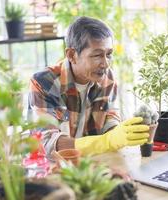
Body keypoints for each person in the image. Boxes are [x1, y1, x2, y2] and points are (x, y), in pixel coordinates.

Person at [28, 16, 149, 157]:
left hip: (92, 163)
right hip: (51, 169)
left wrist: (120, 133)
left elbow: (109, 118)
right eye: (97, 55)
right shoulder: (43, 83)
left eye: (109, 54)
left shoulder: (107, 78)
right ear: (72, 55)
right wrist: (107, 141)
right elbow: (47, 143)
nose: (105, 63)